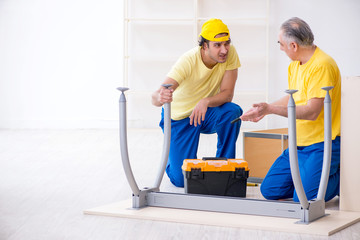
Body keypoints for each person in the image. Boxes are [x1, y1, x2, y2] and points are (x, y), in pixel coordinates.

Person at [240, 17, 341, 202]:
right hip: (298, 143)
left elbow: (312, 112)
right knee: (270, 190)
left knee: (305, 198)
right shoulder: (295, 65)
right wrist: (265, 109)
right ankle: (311, 179)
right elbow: (292, 98)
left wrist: (271, 108)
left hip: (321, 144)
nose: (280, 48)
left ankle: (342, 178)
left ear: (293, 45)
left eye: (281, 44)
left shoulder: (322, 65)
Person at [151, 18, 243, 187]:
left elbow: (227, 94)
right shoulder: (188, 61)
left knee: (232, 112)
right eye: (217, 45)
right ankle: (172, 161)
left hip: (205, 112)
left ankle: (224, 167)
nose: (224, 50)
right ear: (205, 46)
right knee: (181, 181)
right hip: (180, 118)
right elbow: (156, 96)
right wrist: (161, 97)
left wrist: (206, 101)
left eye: (226, 43)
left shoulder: (230, 54)